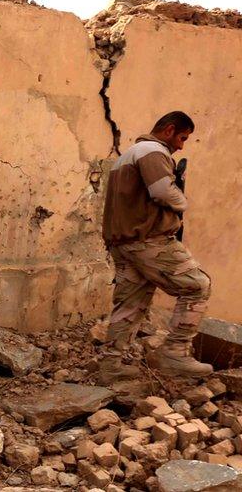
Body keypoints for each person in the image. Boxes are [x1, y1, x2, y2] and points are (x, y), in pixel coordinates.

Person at [100, 110, 212, 381]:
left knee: (130, 304)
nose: (181, 145)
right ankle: (175, 353)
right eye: (182, 137)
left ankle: (111, 367)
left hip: (123, 243)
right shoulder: (152, 150)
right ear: (170, 129)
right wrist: (182, 202)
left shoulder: (128, 154)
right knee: (197, 286)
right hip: (149, 241)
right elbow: (162, 191)